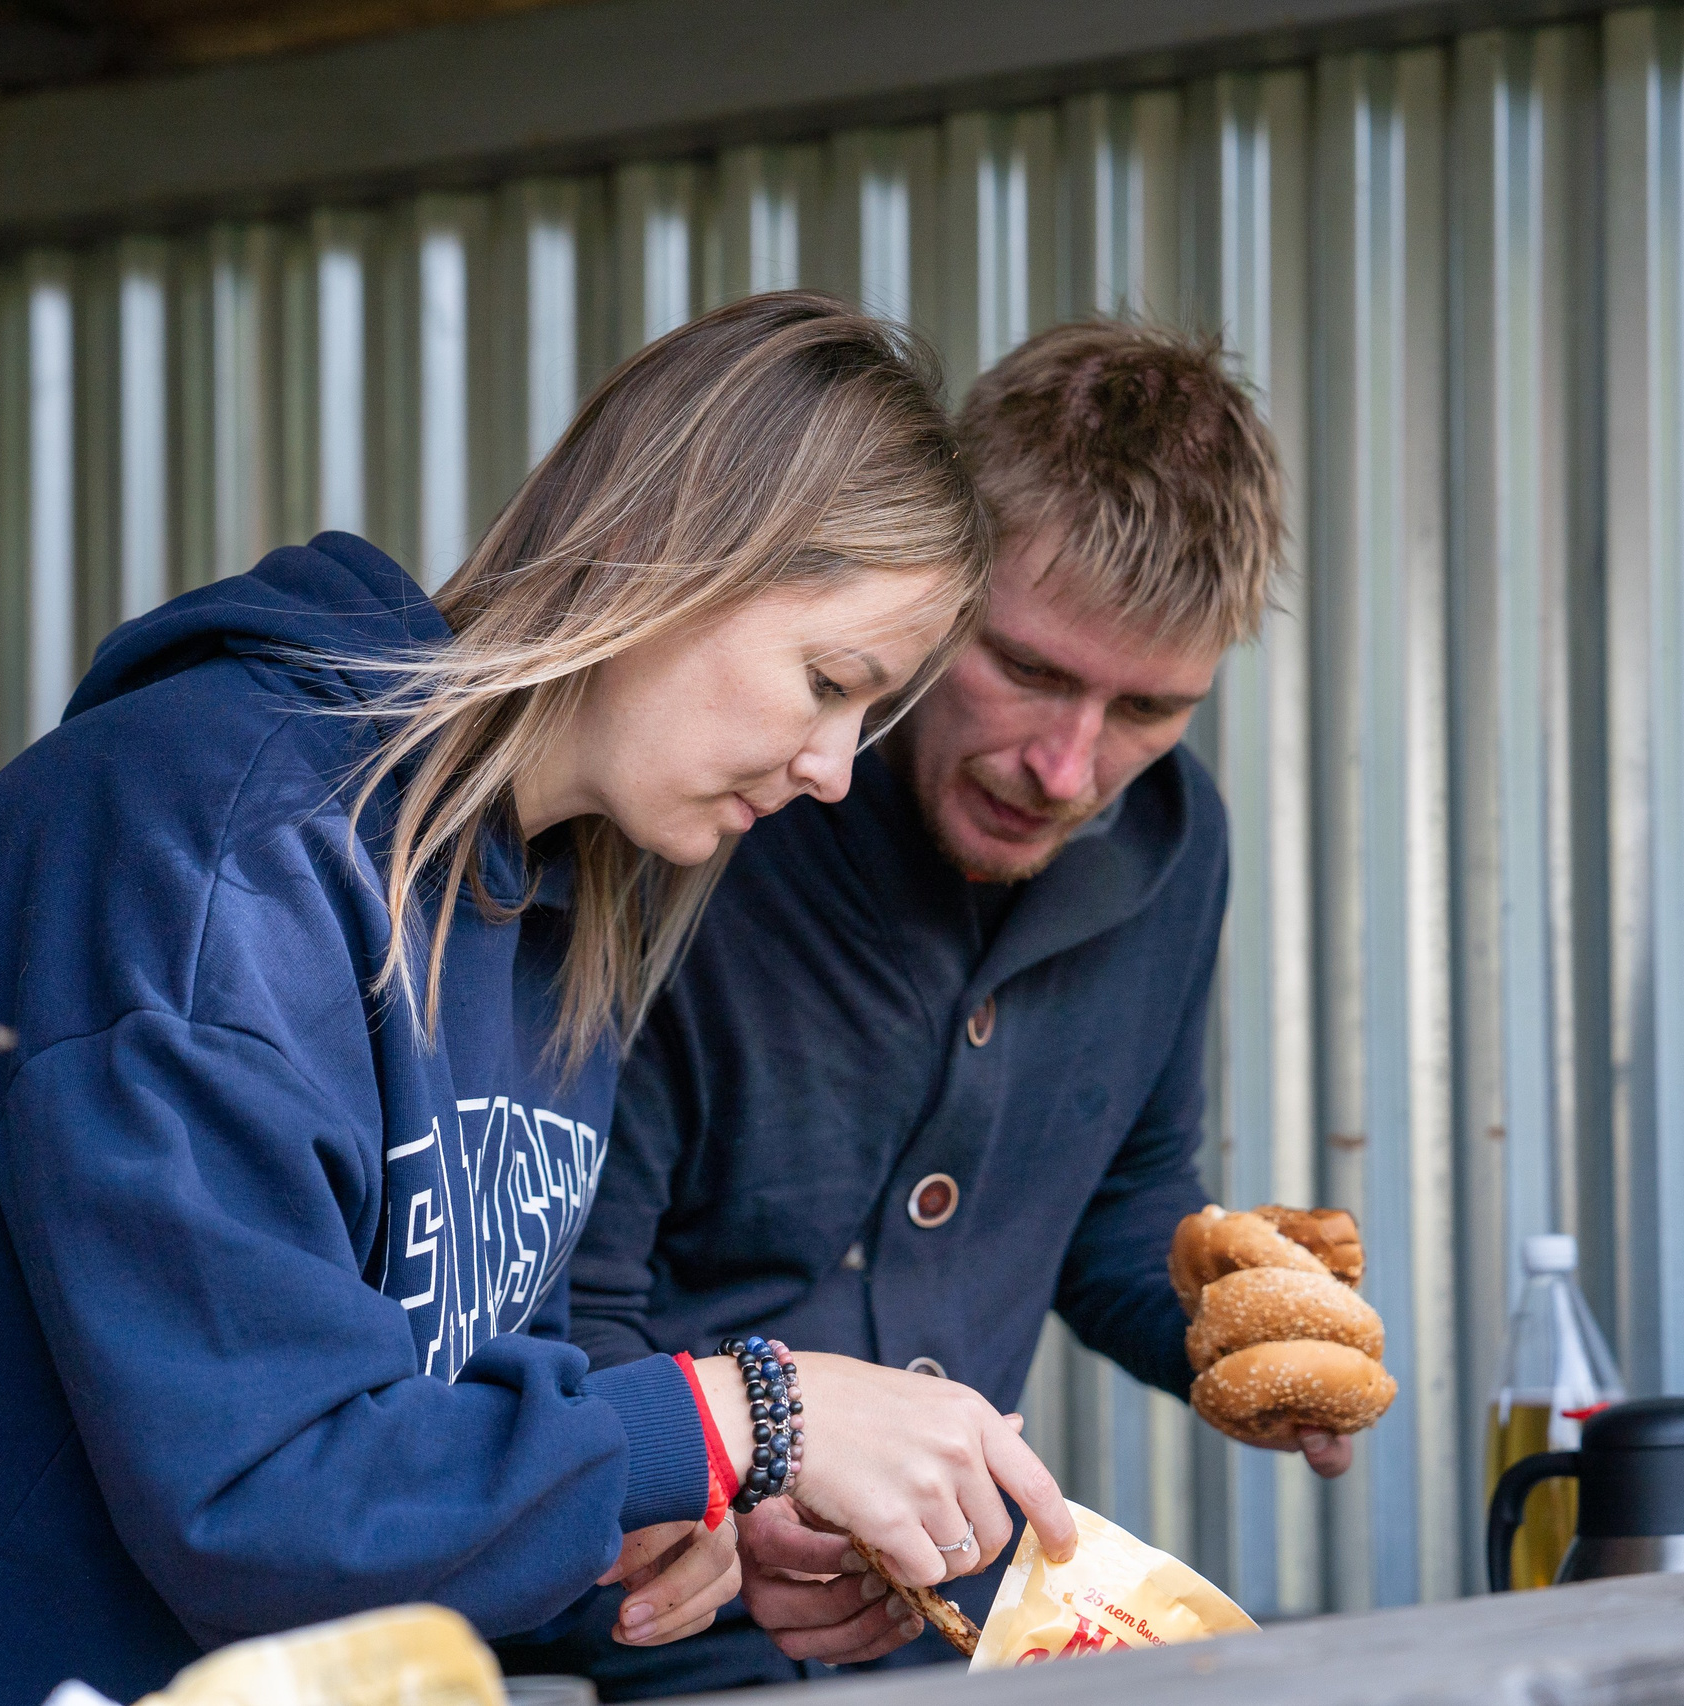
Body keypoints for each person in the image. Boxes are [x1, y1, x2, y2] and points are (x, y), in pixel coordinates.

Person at [0, 292, 1078, 1706]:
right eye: (828, 680)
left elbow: (418, 1456)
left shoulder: (562, 918)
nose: (834, 769)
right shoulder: (205, 842)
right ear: (677, 551)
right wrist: (745, 1409)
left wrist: (657, 1514)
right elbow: (264, 1495)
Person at [546, 320, 1340, 1698]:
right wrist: (753, 1497)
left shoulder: (1172, 845)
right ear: (933, 591)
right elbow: (563, 1304)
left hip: (962, 1637)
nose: (1069, 766)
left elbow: (1121, 1195)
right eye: (1028, 669)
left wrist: (1230, 1321)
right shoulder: (702, 818)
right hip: (636, 1637)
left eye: (1150, 705)